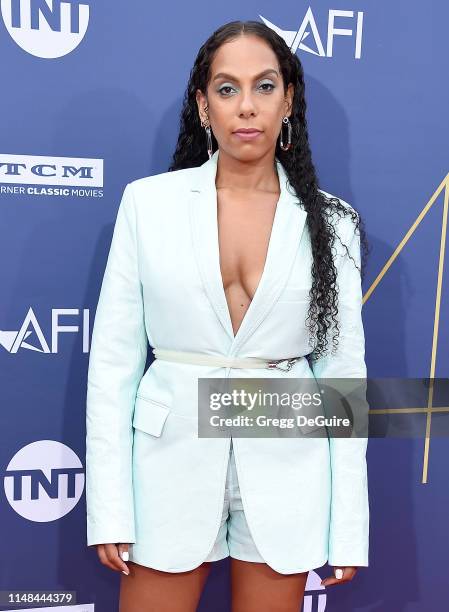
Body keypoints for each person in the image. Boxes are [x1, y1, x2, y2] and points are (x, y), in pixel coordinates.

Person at [85, 20, 370, 612]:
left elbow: (343, 377)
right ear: (202, 104)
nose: (247, 107)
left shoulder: (331, 221)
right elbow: (113, 365)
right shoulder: (149, 206)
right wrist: (109, 506)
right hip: (168, 464)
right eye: (227, 88)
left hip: (287, 465)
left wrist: (349, 527)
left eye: (265, 87)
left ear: (288, 98)